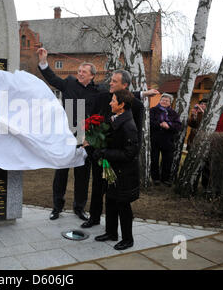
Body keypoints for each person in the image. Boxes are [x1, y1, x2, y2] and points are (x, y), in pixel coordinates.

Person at [36, 47, 104, 221]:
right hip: (65, 135)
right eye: (79, 71)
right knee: (61, 173)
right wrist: (44, 61)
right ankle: (57, 207)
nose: (80, 73)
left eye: (84, 72)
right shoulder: (69, 83)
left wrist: (141, 93)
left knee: (82, 175)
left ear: (92, 76)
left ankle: (79, 208)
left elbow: (117, 94)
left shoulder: (97, 91)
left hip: (85, 137)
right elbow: (51, 78)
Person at [81, 69, 145, 228]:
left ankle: (113, 228)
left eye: (114, 81)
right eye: (111, 80)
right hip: (100, 154)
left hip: (117, 159)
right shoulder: (103, 98)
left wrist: (128, 156)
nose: (110, 83)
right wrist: (92, 142)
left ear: (125, 85)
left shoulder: (136, 106)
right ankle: (94, 218)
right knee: (97, 188)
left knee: (115, 195)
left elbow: (135, 134)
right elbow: (92, 120)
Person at [89, 89, 140, 251]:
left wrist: (105, 152)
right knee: (110, 201)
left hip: (124, 173)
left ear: (122, 105)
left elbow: (130, 153)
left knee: (123, 205)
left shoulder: (129, 126)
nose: (110, 103)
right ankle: (111, 233)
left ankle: (127, 239)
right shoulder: (116, 119)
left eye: (113, 100)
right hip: (113, 170)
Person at [150, 93, 182, 187]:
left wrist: (169, 126)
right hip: (155, 138)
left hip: (168, 139)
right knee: (154, 159)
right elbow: (150, 122)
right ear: (160, 100)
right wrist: (160, 124)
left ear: (170, 103)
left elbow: (178, 126)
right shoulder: (153, 110)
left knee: (167, 160)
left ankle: (165, 178)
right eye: (163, 100)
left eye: (167, 101)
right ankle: (155, 178)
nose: (164, 102)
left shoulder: (173, 113)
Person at [188, 98, 210, 192]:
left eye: (205, 104)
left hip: (205, 143)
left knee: (205, 165)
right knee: (192, 162)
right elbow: (191, 125)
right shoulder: (198, 113)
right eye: (201, 104)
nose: (202, 106)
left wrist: (201, 113)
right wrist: (193, 116)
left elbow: (203, 124)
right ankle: (190, 183)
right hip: (193, 140)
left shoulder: (210, 115)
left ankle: (205, 185)